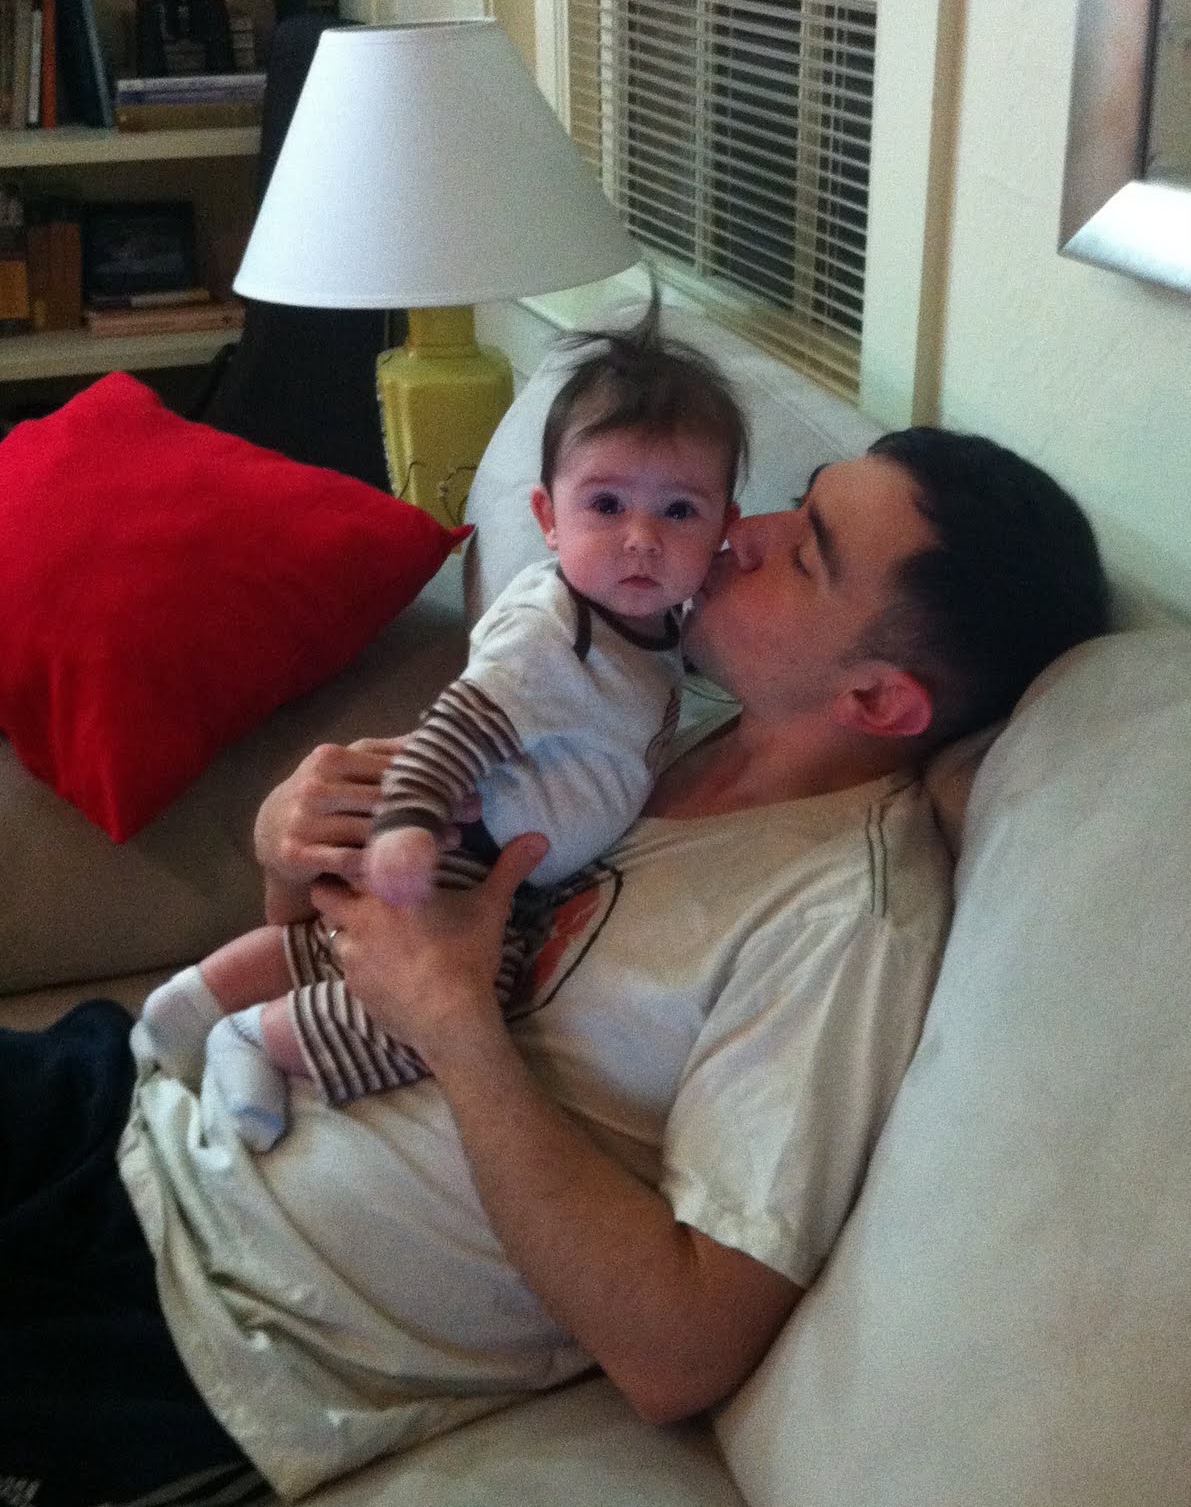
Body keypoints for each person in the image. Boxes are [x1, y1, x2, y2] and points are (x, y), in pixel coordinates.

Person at [0, 425, 1110, 1506]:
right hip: (137, 1106)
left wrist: (455, 1027)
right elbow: (346, 942)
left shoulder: (841, 922)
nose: (744, 531)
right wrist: (292, 850)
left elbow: (679, 1353)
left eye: (804, 552)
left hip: (208, 1328)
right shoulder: (646, 708)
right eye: (795, 500)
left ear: (875, 699)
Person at [137, 312, 747, 1149]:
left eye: (678, 511)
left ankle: (195, 999)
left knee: (337, 944)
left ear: (723, 530)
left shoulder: (657, 627)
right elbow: (455, 726)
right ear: (548, 518)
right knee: (457, 998)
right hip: (461, 843)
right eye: (606, 504)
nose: (641, 539)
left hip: (489, 854)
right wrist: (408, 827)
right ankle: (259, 1036)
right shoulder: (554, 633)